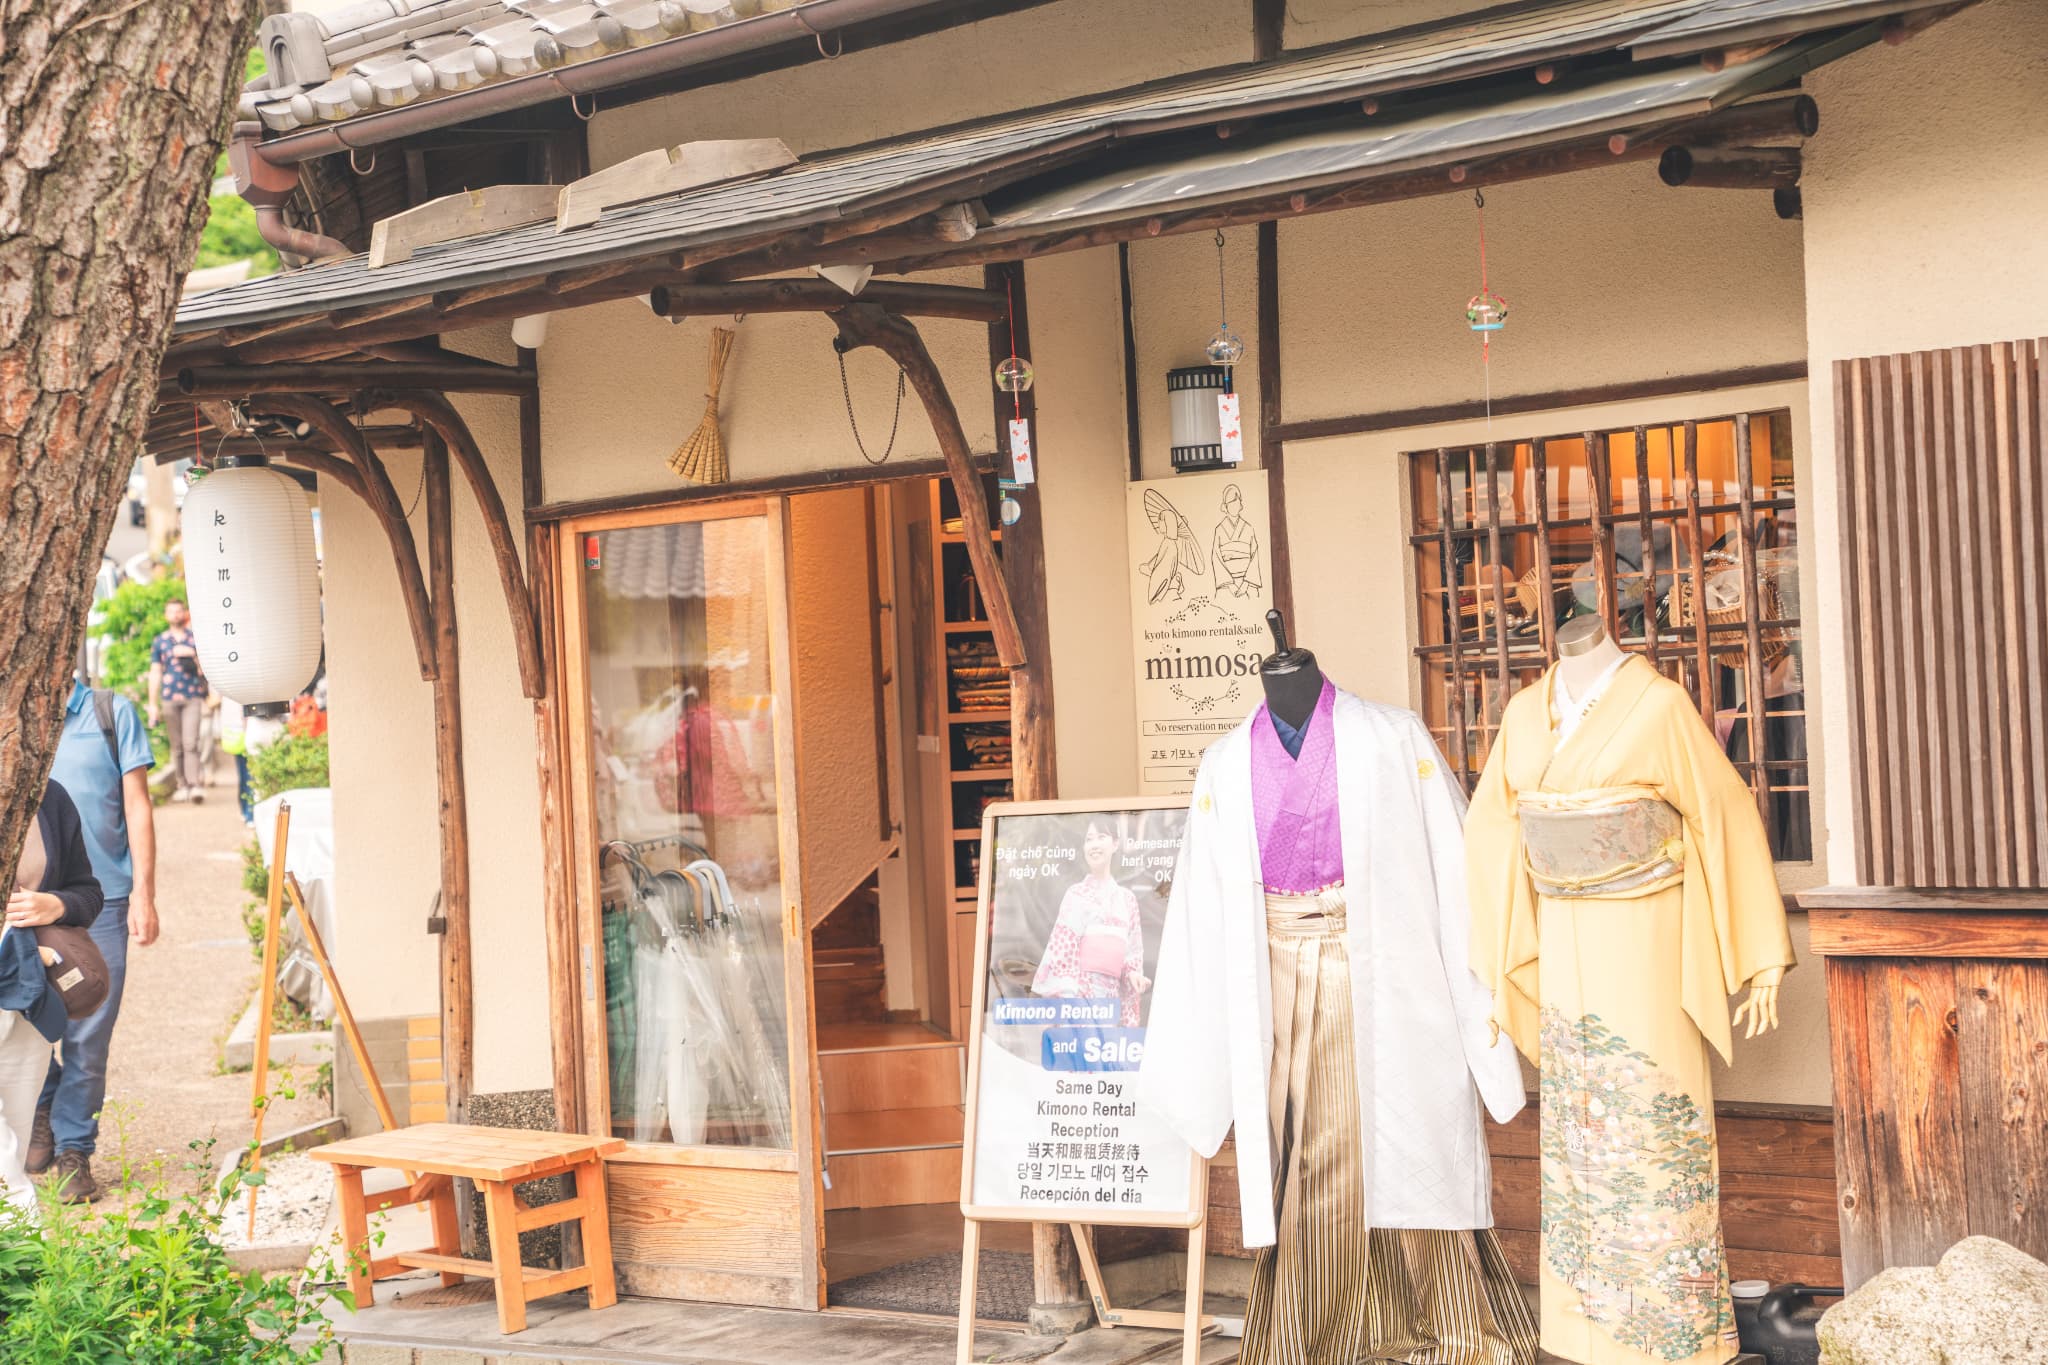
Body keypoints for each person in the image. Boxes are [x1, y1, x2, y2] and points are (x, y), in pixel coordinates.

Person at [29, 678, 158, 1203]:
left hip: (101, 902)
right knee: (27, 1025)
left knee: (87, 1031)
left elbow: (137, 807)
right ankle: (44, 1109)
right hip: (27, 908)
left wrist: (145, 894)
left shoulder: (110, 713)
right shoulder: (15, 712)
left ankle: (74, 1150)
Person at [4, 780, 104, 1215]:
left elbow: (88, 890)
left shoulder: (46, 794)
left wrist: (56, 905)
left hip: (29, 989)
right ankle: (23, 1242)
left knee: (17, 1129)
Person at [1030, 818, 1150, 1026]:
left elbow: (1132, 954)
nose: (1094, 845)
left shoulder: (1127, 899)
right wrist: (1073, 997)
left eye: (1101, 837)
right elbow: (1061, 953)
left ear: (1114, 843)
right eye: (1089, 839)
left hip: (1112, 997)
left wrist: (1134, 975)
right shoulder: (1076, 894)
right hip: (1080, 996)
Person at [148, 596, 209, 802]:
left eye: (179, 611)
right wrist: (152, 703)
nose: (176, 614)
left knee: (191, 741)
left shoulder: (196, 639)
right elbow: (155, 671)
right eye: (172, 611)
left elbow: (208, 669)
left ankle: (195, 784)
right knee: (177, 744)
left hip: (192, 695)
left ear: (184, 613)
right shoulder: (161, 641)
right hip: (169, 697)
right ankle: (182, 783)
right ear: (166, 615)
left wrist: (192, 655)